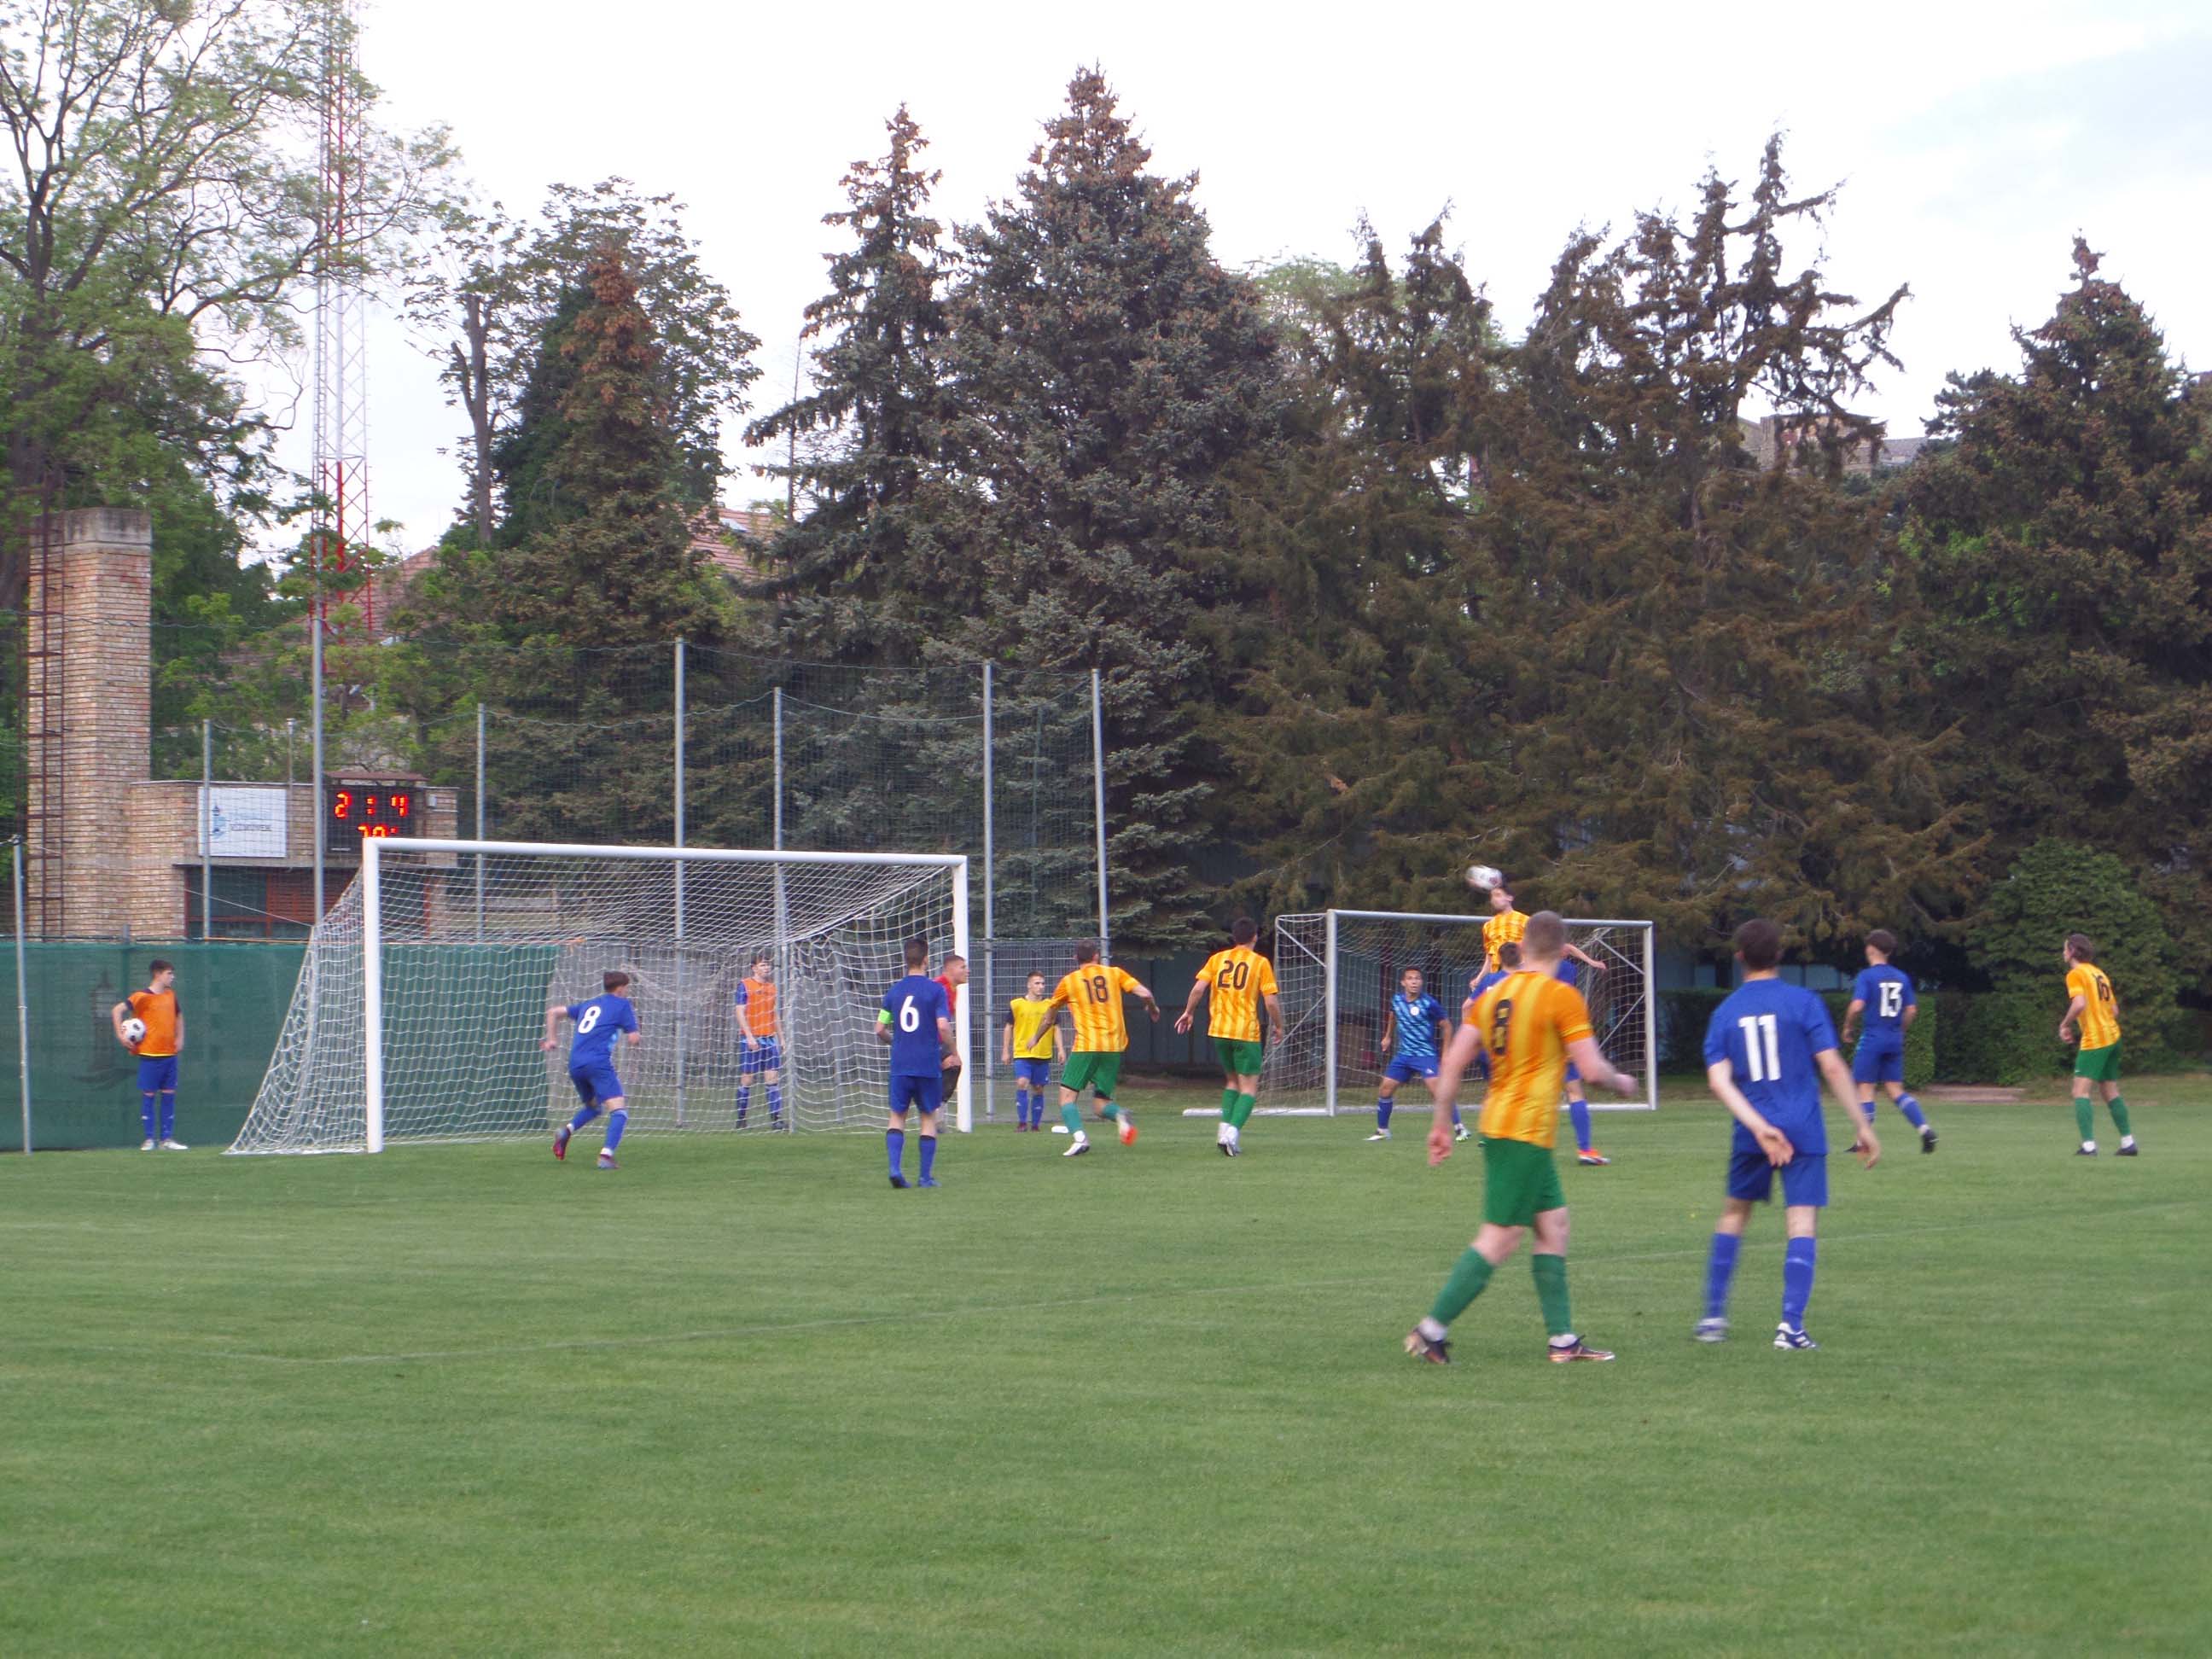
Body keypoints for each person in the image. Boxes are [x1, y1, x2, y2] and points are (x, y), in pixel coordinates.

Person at [1404, 911, 1638, 1366]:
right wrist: (1622, 1081)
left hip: (1506, 1126)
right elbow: (1592, 1070)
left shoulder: (1492, 993)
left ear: (1524, 947)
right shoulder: (1561, 995)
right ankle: (1430, 1331)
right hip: (1523, 1132)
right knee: (1501, 1237)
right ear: (1564, 950)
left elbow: (1453, 1063)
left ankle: (1563, 1342)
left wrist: (1440, 1123)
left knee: (1554, 1226)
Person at [1697, 919, 1880, 1350]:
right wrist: (1862, 1124)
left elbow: (1718, 1081)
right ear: (1779, 955)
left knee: (1734, 1215)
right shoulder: (1804, 1002)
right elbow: (1832, 1066)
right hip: (1802, 1126)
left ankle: (1712, 1318)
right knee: (1801, 1221)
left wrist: (1759, 1128)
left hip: (1752, 1129)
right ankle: (1790, 1328)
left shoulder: (1726, 1012)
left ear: (1739, 957)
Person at [1175, 917, 1283, 1156]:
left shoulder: (1217, 959)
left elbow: (1198, 989)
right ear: (1255, 937)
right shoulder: (1260, 963)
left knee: (1232, 1082)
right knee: (1249, 1088)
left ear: (1235, 937)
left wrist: (1188, 1013)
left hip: (1219, 1031)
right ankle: (1231, 1134)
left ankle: (1223, 1131)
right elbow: (1271, 1002)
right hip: (1245, 1032)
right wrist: (1278, 1026)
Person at [1043, 942, 1159, 1157]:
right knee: (1100, 1104)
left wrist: (1036, 1036)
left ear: (1076, 958)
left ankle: (1080, 1139)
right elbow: (1145, 993)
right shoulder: (1114, 973)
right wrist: (1152, 1008)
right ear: (1096, 956)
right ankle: (1120, 1115)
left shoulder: (1070, 981)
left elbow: (1050, 1015)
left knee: (1066, 1098)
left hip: (1087, 1045)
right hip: (1113, 1047)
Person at [1837, 929, 1936, 1152]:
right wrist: (1900, 1030)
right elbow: (1911, 1010)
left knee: (1865, 1089)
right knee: (1895, 1090)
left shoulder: (1867, 976)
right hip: (1894, 1039)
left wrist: (1848, 1026)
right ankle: (1924, 1129)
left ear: (1871, 949)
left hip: (1872, 1038)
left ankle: (1862, 1142)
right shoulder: (1901, 977)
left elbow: (1857, 1006)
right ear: (1889, 952)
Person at [879, 936, 957, 1188]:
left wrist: (896, 1043)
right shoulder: (935, 990)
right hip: (927, 1064)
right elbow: (943, 1026)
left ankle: (894, 1169)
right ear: (926, 960)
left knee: (897, 1116)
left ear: (906, 960)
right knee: (927, 1117)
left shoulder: (894, 991)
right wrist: (953, 1050)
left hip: (901, 1063)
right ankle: (925, 1177)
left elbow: (879, 1028)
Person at [545, 971, 643, 1171]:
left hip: (575, 1064)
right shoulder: (622, 1005)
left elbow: (553, 1012)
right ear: (620, 989)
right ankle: (606, 1156)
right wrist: (634, 1036)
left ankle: (566, 1132)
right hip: (597, 1063)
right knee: (619, 1112)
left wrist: (552, 1040)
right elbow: (634, 1038)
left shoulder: (589, 1004)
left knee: (594, 1108)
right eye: (627, 987)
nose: (628, 991)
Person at [1363, 966, 1466, 1144]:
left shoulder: (1429, 1003)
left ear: (1421, 982)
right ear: (1403, 982)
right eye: (1410, 978)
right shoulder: (1397, 1000)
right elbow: (1393, 1016)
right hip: (1404, 1055)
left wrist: (1445, 1055)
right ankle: (1382, 1131)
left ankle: (1460, 1128)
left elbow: (1447, 1026)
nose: (1414, 982)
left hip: (1425, 1054)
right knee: (1385, 1089)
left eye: (1417, 978)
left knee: (1439, 1092)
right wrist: (1387, 1036)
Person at [2059, 934, 2135, 1157]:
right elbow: (2114, 1010)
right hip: (2113, 1035)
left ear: (2073, 952)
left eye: (2065, 949)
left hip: (2096, 1038)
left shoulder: (2075, 974)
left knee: (2079, 1091)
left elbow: (2079, 1004)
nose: (2063, 953)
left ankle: (2089, 1146)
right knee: (2109, 1090)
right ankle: (2128, 1142)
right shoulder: (2098, 973)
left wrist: (2065, 1024)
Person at [113, 959, 186, 1151]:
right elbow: (117, 1010)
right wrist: (120, 1035)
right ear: (157, 974)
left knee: (169, 1096)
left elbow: (179, 1016)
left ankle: (166, 1140)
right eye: (169, 973)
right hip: (150, 1055)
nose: (172, 977)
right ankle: (149, 1139)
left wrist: (180, 1038)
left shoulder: (171, 995)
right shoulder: (141, 996)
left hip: (170, 1054)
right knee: (149, 1096)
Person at [1003, 970, 1065, 1131]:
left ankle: (1035, 1125)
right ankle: (1022, 1123)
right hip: (1022, 1053)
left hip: (1042, 1053)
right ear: (1029, 985)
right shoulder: (1016, 1004)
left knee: (1038, 1088)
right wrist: (1005, 1050)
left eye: (1043, 983)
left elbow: (1056, 1028)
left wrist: (1061, 1049)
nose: (1041, 986)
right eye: (1037, 983)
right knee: (1022, 1082)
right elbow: (1009, 1027)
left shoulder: (1050, 1005)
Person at [734, 952, 784, 1131]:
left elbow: (774, 1014)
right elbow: (740, 1012)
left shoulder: (772, 987)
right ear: (754, 968)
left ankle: (776, 1120)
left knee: (772, 1079)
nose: (766, 967)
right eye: (762, 965)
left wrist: (781, 1038)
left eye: (768, 964)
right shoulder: (745, 985)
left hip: (769, 1039)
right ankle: (741, 1119)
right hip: (751, 1039)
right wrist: (749, 1036)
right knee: (747, 1079)